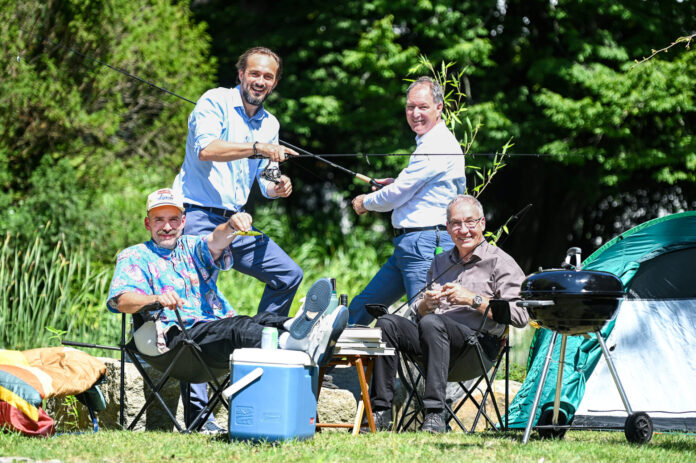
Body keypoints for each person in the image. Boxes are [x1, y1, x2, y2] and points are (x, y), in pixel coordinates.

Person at [107, 188, 348, 432]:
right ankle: (298, 343)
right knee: (237, 329)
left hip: (210, 331)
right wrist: (155, 298)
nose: (166, 226)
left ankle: (297, 329)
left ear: (183, 221)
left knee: (260, 320)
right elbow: (122, 300)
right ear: (148, 223)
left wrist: (231, 226)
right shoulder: (134, 255)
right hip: (175, 337)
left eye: (173, 219)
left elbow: (216, 241)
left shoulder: (191, 246)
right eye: (159, 220)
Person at [171, 47, 302, 426]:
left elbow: (265, 179)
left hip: (236, 221)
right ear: (241, 73)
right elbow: (208, 149)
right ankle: (197, 415)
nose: (260, 81)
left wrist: (278, 184)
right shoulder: (213, 101)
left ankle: (259, 349)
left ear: (274, 83)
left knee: (287, 274)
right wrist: (260, 148)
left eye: (268, 77)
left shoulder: (270, 123)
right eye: (254, 73)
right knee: (196, 304)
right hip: (195, 216)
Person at [365, 195, 528, 433]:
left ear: (482, 223)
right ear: (448, 227)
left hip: (476, 349)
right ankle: (379, 413)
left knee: (433, 323)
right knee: (387, 323)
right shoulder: (440, 262)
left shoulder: (500, 262)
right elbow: (421, 314)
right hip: (433, 344)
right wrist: (423, 306)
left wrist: (472, 299)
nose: (463, 230)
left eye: (470, 222)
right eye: (456, 223)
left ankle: (434, 415)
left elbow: (521, 316)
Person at [349, 76, 466, 326]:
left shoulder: (437, 143)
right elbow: (412, 187)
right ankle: (340, 364)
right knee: (361, 307)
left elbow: (398, 194)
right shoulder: (428, 143)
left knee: (424, 322)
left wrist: (364, 202)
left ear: (439, 107)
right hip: (408, 247)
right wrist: (394, 183)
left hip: (426, 245)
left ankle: (426, 367)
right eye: (410, 107)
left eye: (422, 107)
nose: (415, 113)